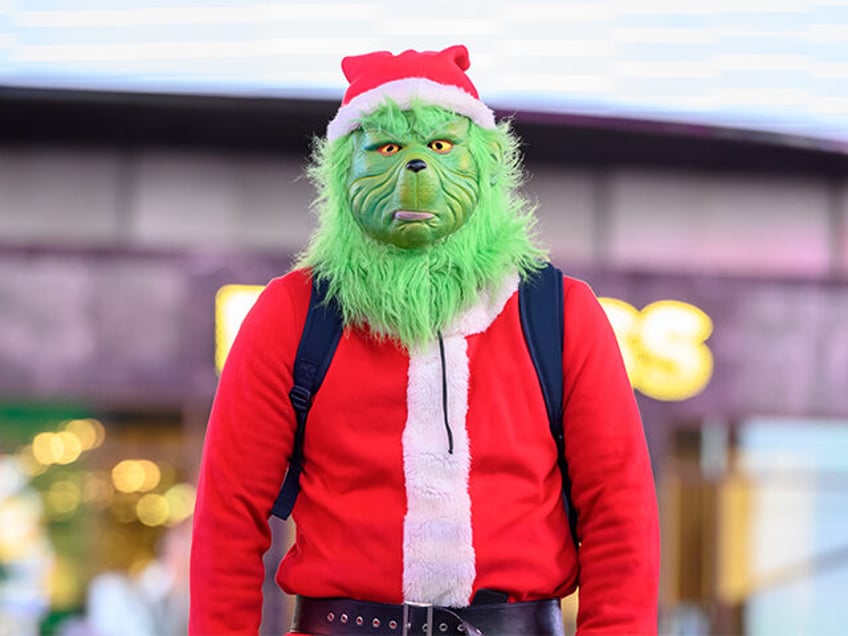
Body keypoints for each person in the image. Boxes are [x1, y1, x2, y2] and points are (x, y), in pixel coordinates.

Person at [190, 45, 659, 636]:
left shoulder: (562, 313)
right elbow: (228, 518)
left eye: (440, 146)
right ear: (341, 171)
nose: (416, 166)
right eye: (386, 147)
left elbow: (620, 512)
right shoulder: (291, 314)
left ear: (488, 165)